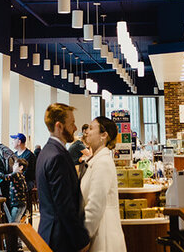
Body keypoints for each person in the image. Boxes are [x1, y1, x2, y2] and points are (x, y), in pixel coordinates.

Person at [36, 103, 90, 252]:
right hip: (60, 238)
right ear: (59, 126)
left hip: (49, 232)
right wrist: (81, 240)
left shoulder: (46, 152)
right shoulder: (58, 156)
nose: (75, 128)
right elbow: (64, 206)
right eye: (72, 123)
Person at [80, 116, 126, 252]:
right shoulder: (95, 161)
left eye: (91, 128)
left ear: (103, 135)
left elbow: (95, 205)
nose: (87, 131)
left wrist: (82, 238)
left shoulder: (103, 163)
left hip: (103, 238)